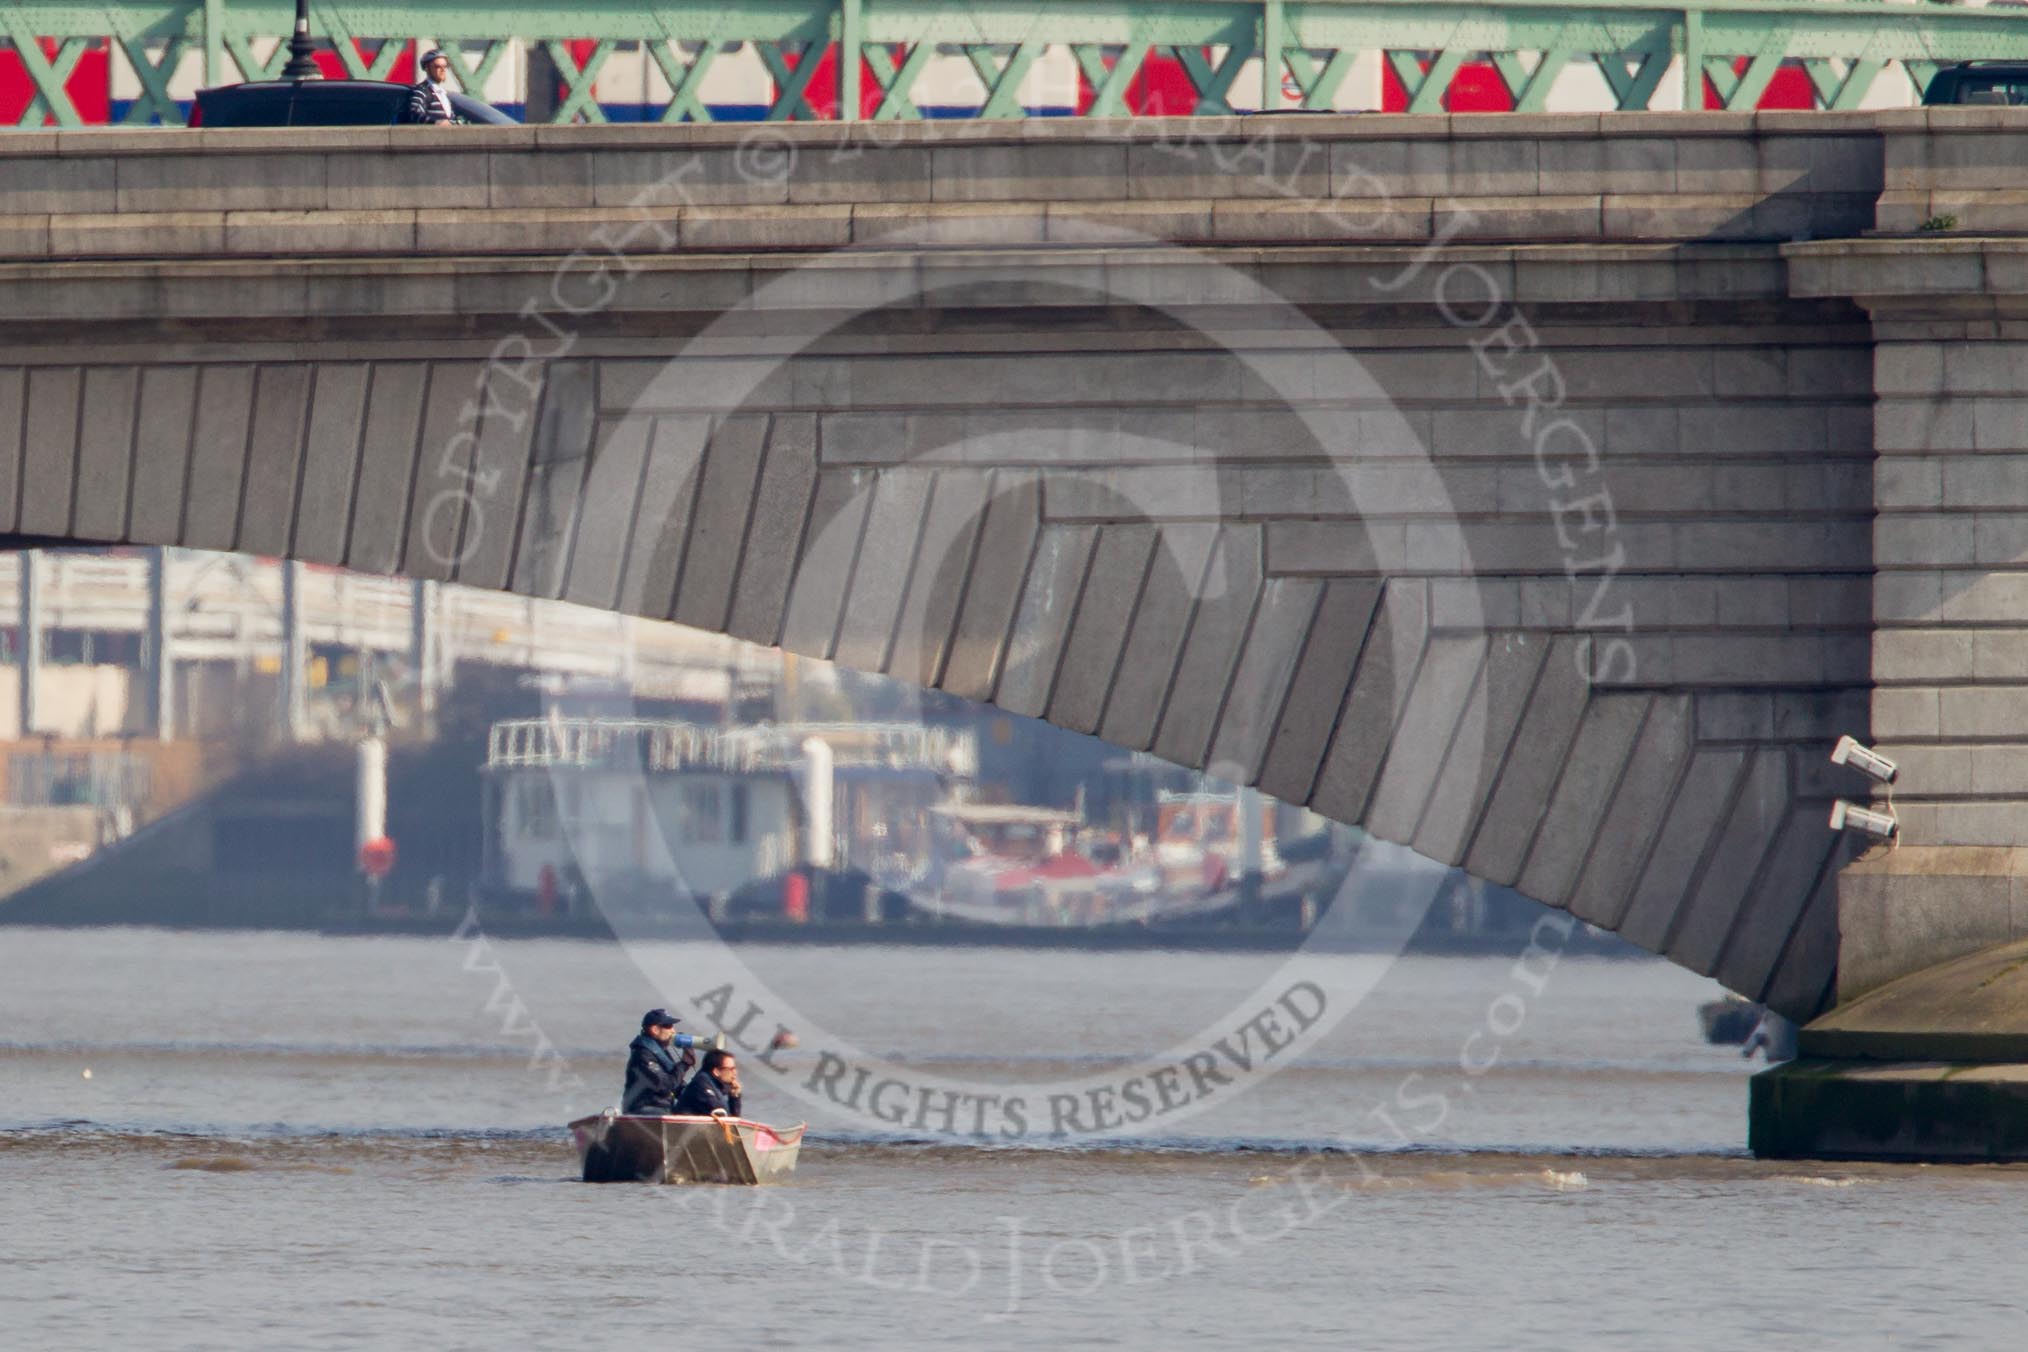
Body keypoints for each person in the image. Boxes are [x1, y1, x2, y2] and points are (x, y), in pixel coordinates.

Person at [620, 1008, 692, 1115]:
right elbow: (665, 1086)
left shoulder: (660, 1052)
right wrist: (684, 1064)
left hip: (662, 1107)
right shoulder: (643, 1055)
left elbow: (677, 1084)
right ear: (655, 1029)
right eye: (668, 1026)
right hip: (643, 1109)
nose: (673, 1031)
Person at [673, 1048, 742, 1118]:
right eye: (731, 1069)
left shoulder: (715, 1085)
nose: (735, 1073)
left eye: (735, 1069)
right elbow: (721, 1113)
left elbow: (733, 1122)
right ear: (717, 1072)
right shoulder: (701, 1085)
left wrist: (734, 1097)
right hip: (686, 1128)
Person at [404, 50, 457, 125]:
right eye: (437, 66)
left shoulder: (443, 94)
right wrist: (436, 122)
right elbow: (414, 113)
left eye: (445, 66)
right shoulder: (423, 90)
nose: (443, 70)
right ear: (427, 68)